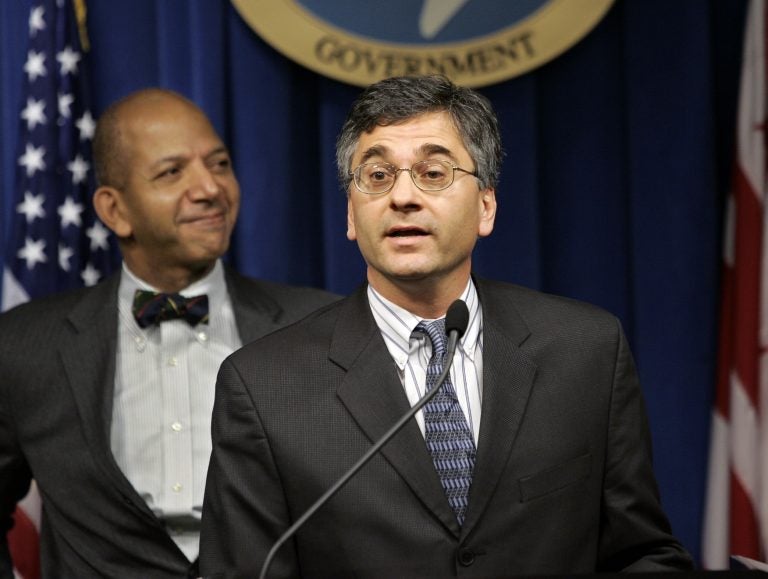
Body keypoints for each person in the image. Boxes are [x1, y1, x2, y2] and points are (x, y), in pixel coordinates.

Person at [199, 75, 693, 578]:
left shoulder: (586, 351)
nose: (403, 197)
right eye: (376, 176)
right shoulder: (263, 387)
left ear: (486, 206)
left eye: (433, 173)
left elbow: (641, 553)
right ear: (350, 213)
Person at [0, 88, 339, 579]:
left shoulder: (320, 327)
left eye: (219, 164)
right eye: (172, 172)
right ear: (114, 210)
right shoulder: (25, 344)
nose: (210, 188)